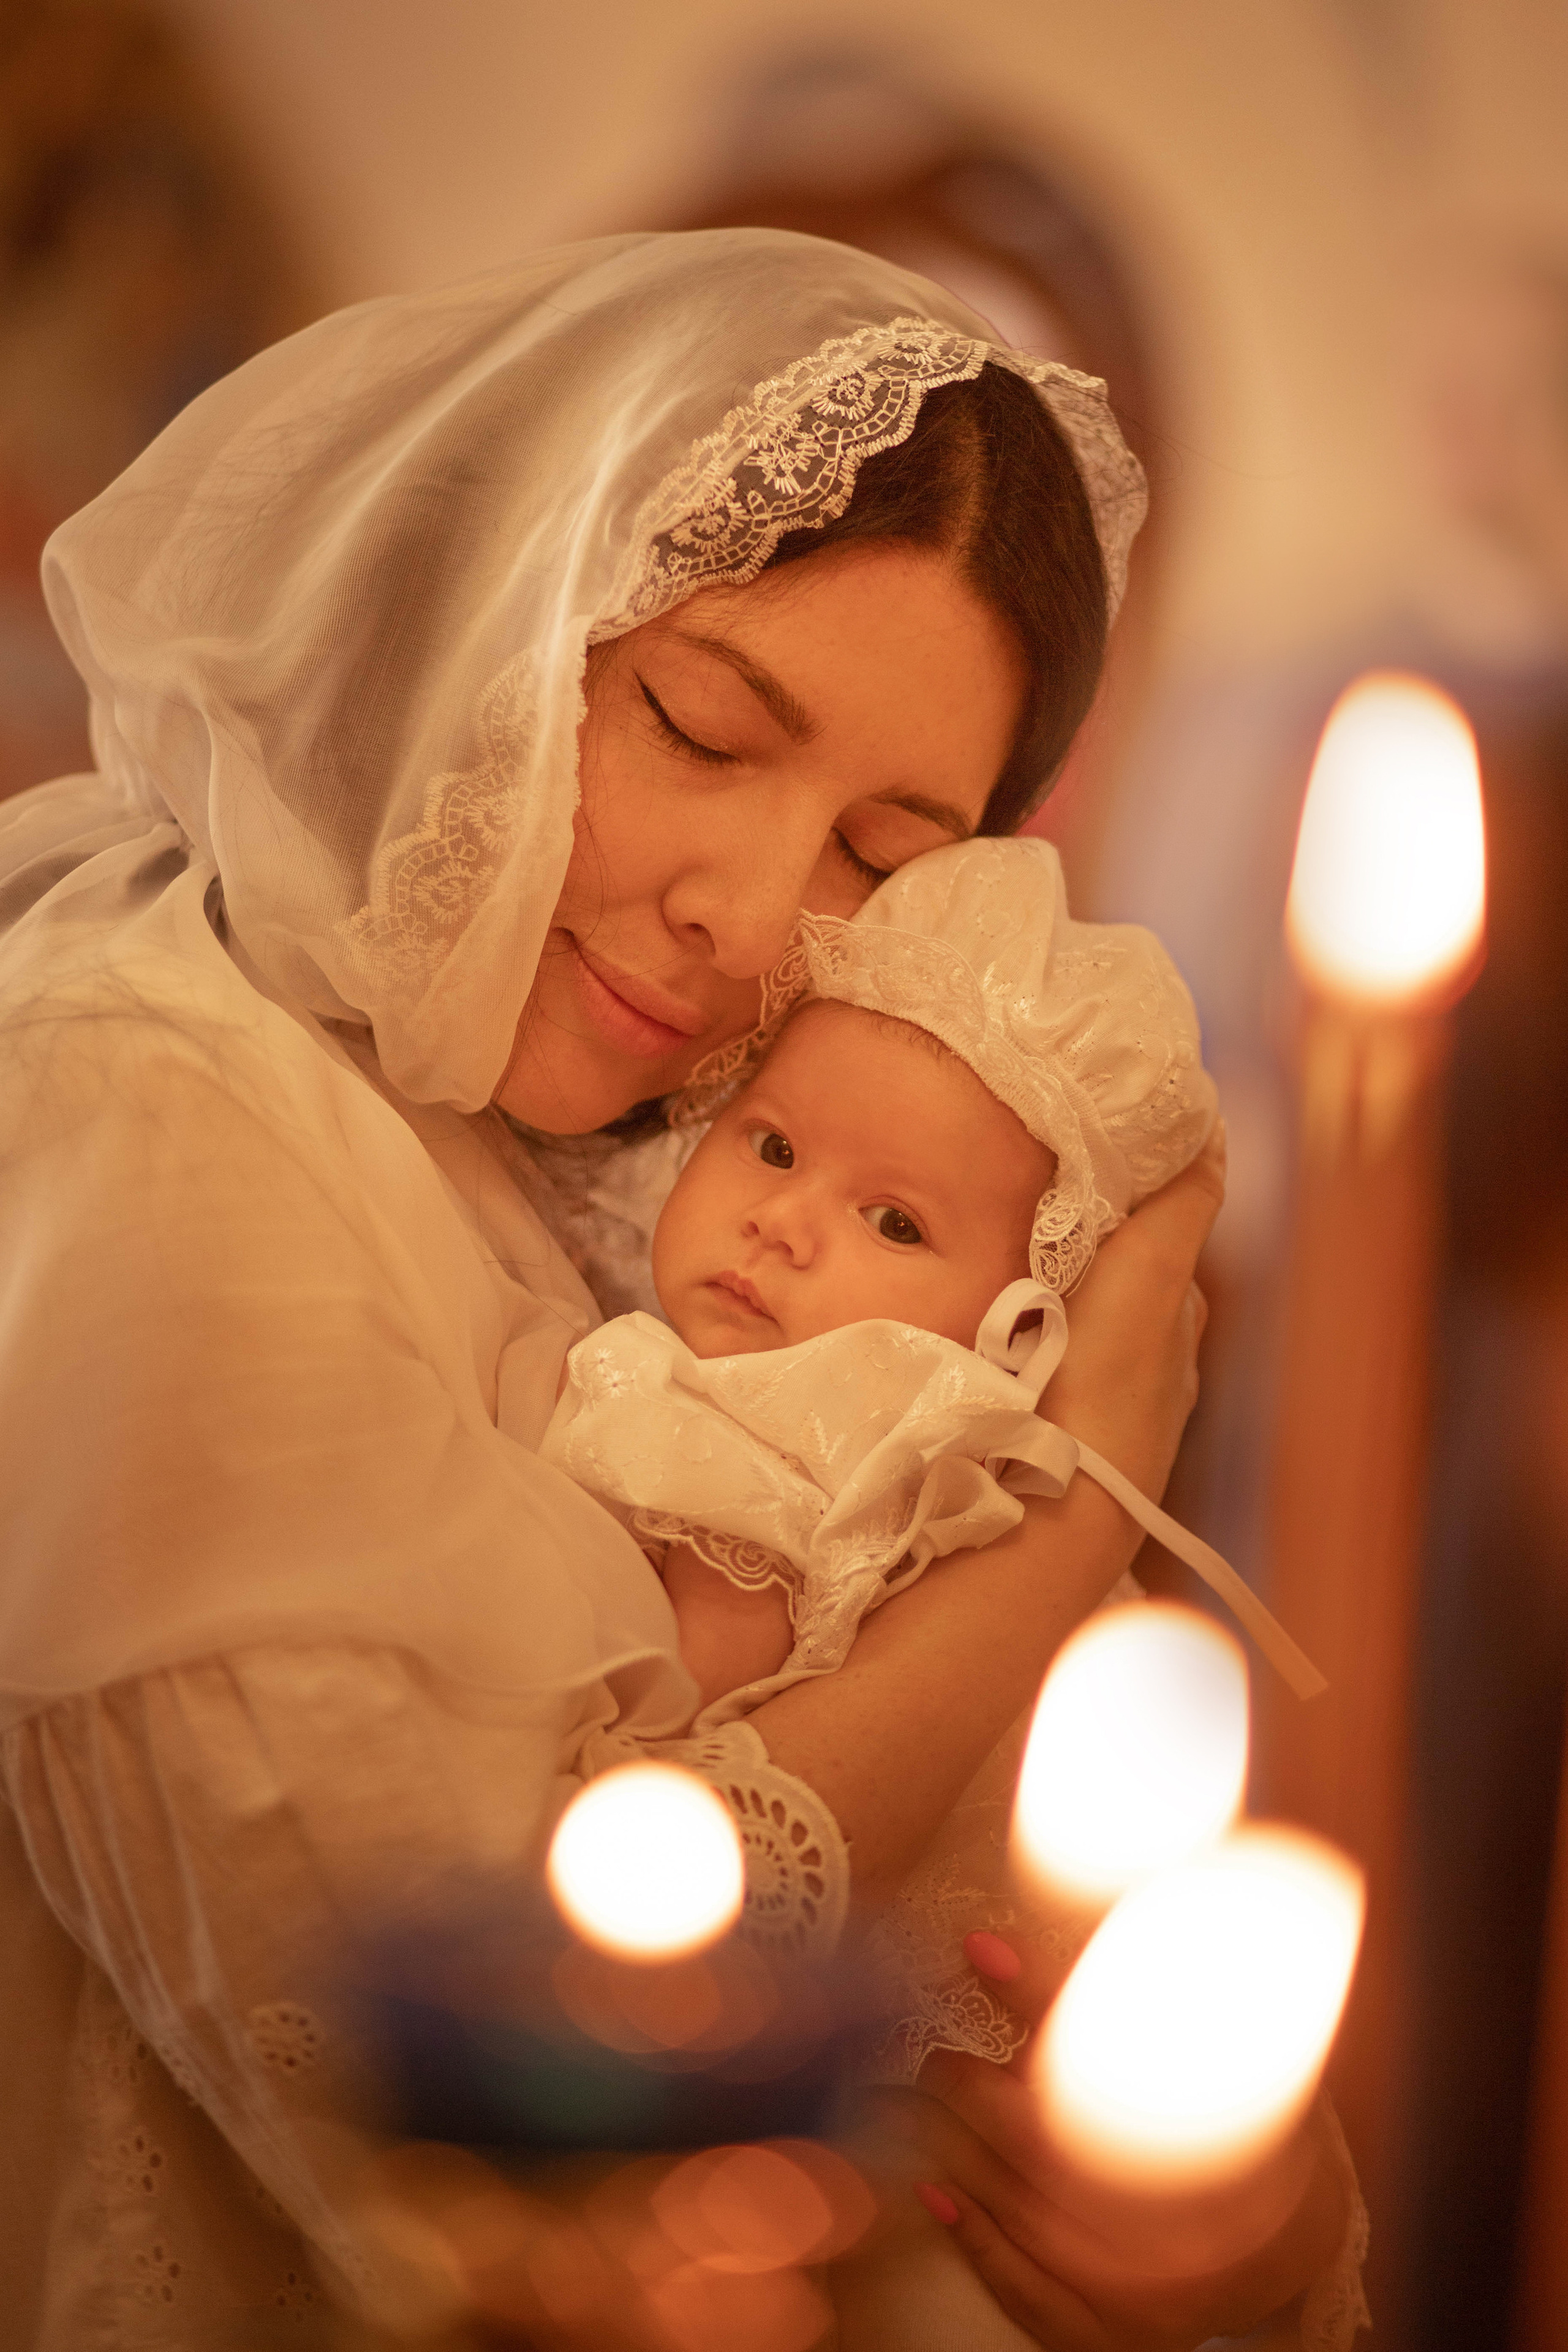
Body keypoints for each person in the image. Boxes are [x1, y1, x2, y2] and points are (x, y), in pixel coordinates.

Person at [0, 228, 1349, 2348]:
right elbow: (457, 2101)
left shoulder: (717, 1163)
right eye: (704, 730)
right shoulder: (143, 1109)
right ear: (495, 613)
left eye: (880, 856)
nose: (752, 912)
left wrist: (1227, 2230)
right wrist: (1079, 1509)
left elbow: (1083, 1954)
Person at [545, 834, 1319, 1727]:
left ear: (1021, 1326)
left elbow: (670, 1731)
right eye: (775, 1147)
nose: (780, 1222)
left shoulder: (778, 1458)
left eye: (894, 1224)